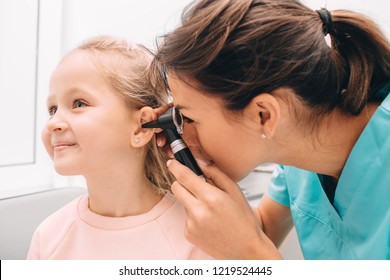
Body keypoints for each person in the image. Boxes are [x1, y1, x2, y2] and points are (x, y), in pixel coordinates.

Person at [152, 0, 390, 259]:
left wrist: (253, 255)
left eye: (188, 118)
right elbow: (259, 229)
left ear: (264, 115)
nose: (183, 135)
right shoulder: (299, 149)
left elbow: (253, 245)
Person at [27, 35, 212, 260]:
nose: (54, 123)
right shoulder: (48, 236)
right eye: (53, 109)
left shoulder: (197, 236)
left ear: (140, 128)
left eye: (79, 104)